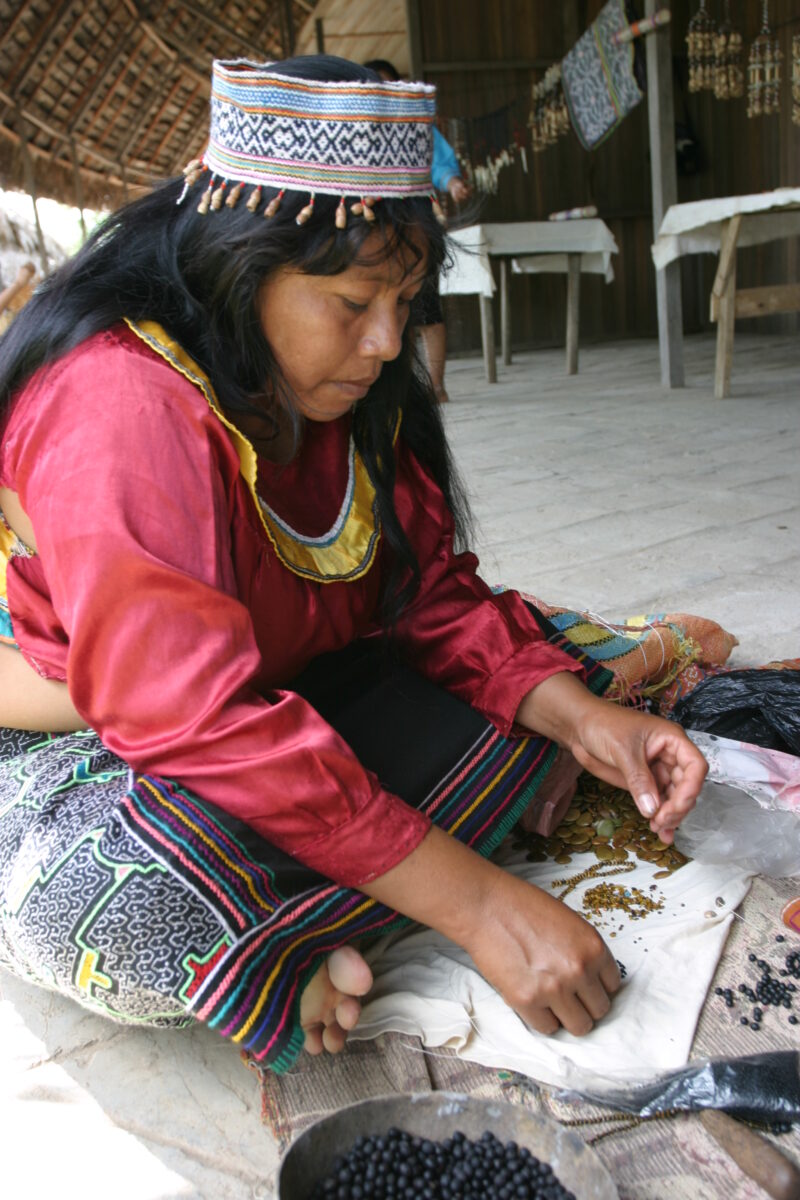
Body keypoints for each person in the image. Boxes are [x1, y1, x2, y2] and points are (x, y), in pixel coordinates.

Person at [0, 55, 706, 1074]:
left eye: (405, 297)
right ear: (240, 269)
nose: (385, 342)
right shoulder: (117, 398)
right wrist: (484, 910)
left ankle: (294, 945)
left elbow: (423, 596)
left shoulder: (348, 383)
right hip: (116, 745)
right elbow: (190, 718)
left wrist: (585, 720)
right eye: (351, 301)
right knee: (116, 907)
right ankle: (296, 931)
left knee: (536, 701)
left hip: (285, 690)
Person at [365, 58, 469, 403]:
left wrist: (452, 183)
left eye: (389, 85)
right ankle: (401, 387)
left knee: (425, 309)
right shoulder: (354, 127)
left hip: (415, 228)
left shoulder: (416, 126)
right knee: (388, 313)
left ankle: (436, 386)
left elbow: (440, 163)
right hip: (368, 233)